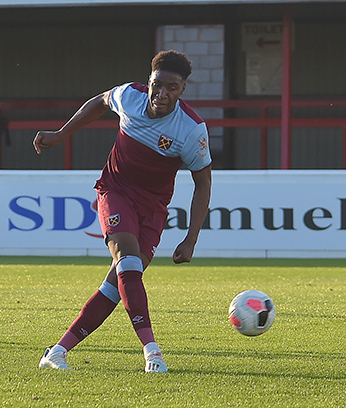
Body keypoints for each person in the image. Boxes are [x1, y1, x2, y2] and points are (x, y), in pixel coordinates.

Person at [34, 50, 212, 373]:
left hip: (153, 209)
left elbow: (203, 184)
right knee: (128, 265)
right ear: (149, 81)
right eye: (158, 84)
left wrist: (191, 240)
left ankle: (57, 352)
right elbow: (100, 102)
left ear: (182, 89)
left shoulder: (192, 129)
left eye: (172, 87)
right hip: (115, 192)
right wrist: (61, 134)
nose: (162, 93)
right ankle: (152, 353)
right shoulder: (129, 96)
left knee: (118, 284)